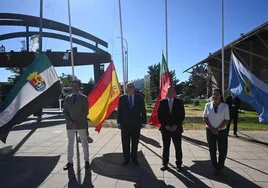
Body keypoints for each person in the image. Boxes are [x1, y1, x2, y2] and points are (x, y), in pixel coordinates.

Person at [117, 82, 147, 166]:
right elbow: (119, 111)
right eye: (128, 87)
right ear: (126, 89)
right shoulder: (122, 98)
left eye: (131, 87)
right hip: (125, 124)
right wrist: (118, 122)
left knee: (135, 142)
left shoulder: (139, 98)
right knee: (125, 142)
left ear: (134, 88)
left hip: (136, 124)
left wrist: (144, 121)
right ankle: (126, 159)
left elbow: (143, 111)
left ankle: (134, 158)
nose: (129, 89)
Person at [63, 80, 90, 170]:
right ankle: (69, 162)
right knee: (70, 143)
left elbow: (85, 112)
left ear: (79, 87)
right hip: (70, 125)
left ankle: (86, 161)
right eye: (73, 86)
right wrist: (70, 122)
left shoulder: (84, 98)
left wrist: (77, 122)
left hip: (81, 124)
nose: (74, 88)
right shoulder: (67, 98)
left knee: (84, 143)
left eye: (76, 86)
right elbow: (65, 112)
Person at [158, 85, 185, 172]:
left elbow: (182, 115)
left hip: (176, 129)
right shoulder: (162, 102)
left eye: (172, 91)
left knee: (178, 147)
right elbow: (160, 116)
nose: (170, 93)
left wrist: (176, 125)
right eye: (168, 91)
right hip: (165, 129)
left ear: (175, 93)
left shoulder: (179, 102)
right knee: (166, 147)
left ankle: (179, 164)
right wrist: (165, 125)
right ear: (166, 93)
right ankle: (165, 164)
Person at [203, 88, 230, 175]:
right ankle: (215, 167)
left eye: (217, 94)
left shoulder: (225, 106)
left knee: (222, 150)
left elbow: (226, 119)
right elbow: (205, 117)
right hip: (210, 131)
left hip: (221, 131)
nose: (215, 96)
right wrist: (212, 128)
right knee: (212, 149)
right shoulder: (207, 105)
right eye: (213, 94)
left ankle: (221, 166)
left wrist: (218, 129)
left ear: (221, 95)